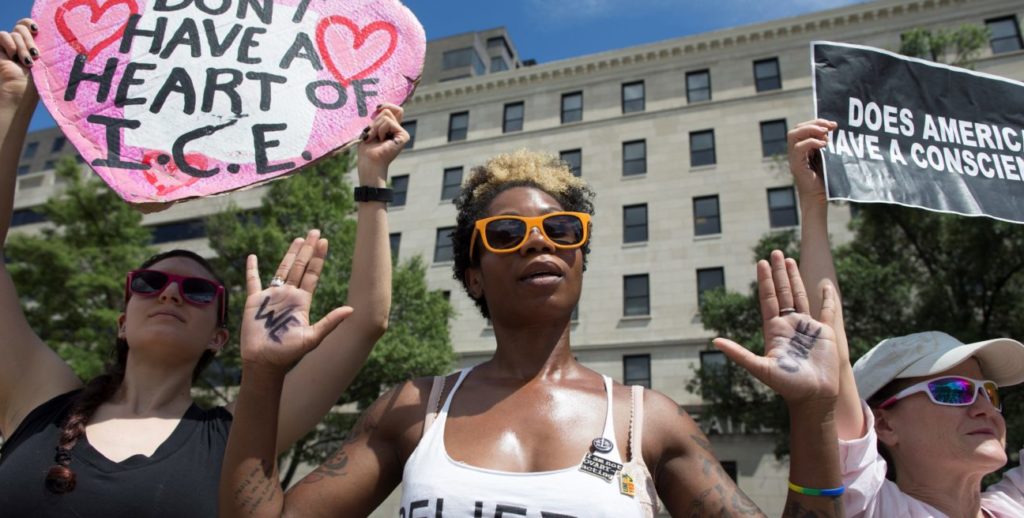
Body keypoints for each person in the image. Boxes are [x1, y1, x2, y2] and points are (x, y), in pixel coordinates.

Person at [220, 149, 845, 517]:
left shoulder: (647, 421)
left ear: (579, 258)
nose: (540, 240)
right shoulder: (412, 410)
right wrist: (264, 376)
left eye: (563, 230)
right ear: (474, 274)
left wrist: (815, 413)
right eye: (507, 234)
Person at [0, 18, 407, 516]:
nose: (169, 294)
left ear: (219, 337)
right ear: (123, 319)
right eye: (150, 284)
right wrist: (11, 104)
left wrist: (372, 180)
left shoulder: (239, 433)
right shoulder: (40, 400)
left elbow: (366, 321)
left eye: (195, 292)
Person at [787, 118, 1024, 517]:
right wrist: (813, 204)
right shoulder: (870, 507)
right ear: (885, 425)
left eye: (990, 392)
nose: (986, 408)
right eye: (954, 391)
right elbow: (831, 354)